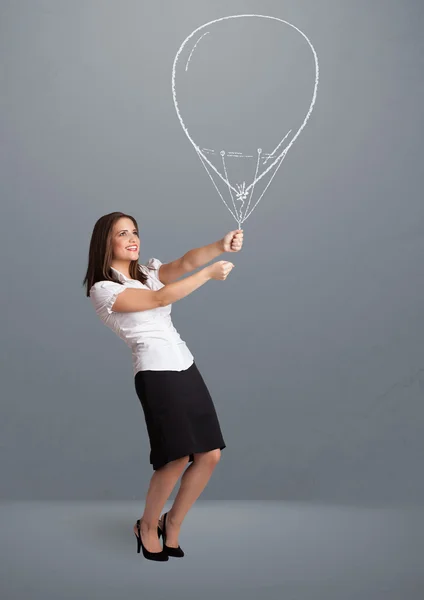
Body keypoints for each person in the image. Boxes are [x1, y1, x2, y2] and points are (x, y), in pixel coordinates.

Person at [82, 211, 243, 561]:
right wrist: (208, 275)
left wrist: (220, 246)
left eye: (134, 231)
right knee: (175, 457)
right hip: (155, 374)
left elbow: (185, 261)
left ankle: (173, 523)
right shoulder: (104, 290)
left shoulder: (148, 275)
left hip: (184, 364)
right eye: (122, 233)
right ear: (105, 243)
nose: (132, 238)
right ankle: (146, 524)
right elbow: (159, 300)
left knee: (210, 454)